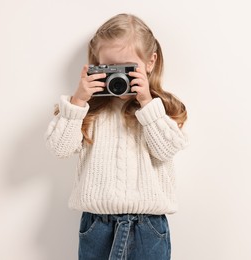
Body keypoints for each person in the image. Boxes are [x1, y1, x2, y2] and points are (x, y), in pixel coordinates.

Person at [44, 13, 188, 260]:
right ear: (96, 65)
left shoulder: (162, 109)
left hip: (148, 228)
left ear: (150, 63)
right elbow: (59, 148)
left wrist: (147, 103)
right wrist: (78, 101)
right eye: (110, 68)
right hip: (96, 227)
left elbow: (166, 150)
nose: (119, 78)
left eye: (128, 69)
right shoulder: (88, 111)